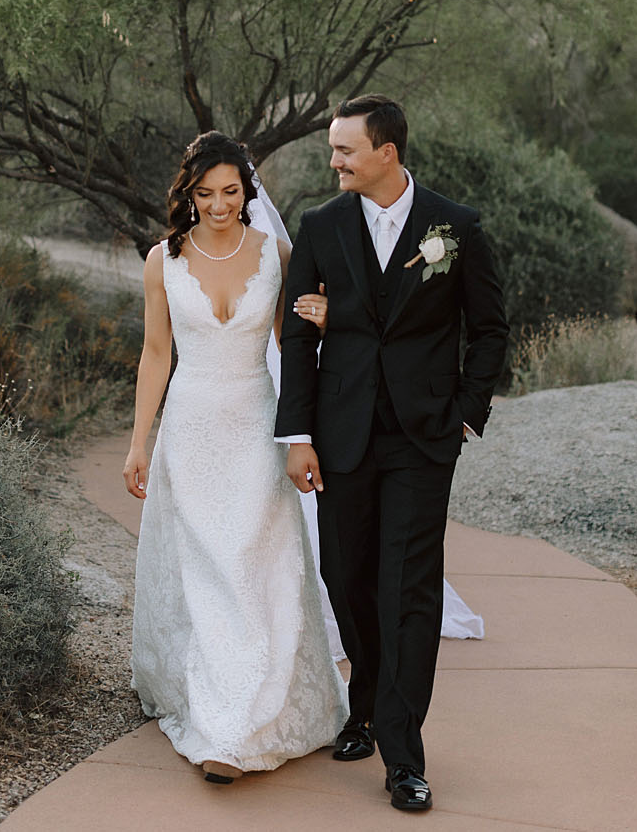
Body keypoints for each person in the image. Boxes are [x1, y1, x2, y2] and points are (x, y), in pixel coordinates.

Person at [275, 95, 510, 814]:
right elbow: (298, 337)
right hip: (341, 434)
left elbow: (491, 328)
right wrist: (298, 433)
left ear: (388, 152)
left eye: (345, 149)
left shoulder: (456, 228)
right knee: (346, 576)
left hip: (422, 436)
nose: (335, 160)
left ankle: (404, 755)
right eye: (333, 150)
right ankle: (366, 704)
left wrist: (466, 413)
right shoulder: (321, 226)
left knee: (408, 587)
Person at [126, 132, 349, 783]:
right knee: (205, 571)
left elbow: (294, 347)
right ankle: (215, 706)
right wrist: (139, 440)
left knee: (252, 565)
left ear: (247, 191)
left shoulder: (277, 253)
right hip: (190, 430)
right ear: (187, 193)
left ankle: (240, 726)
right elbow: (156, 354)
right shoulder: (160, 260)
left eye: (231, 191)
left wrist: (325, 331)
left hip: (256, 420)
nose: (220, 204)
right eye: (205, 193)